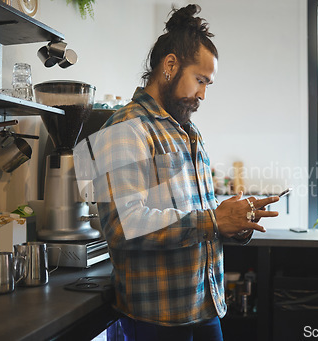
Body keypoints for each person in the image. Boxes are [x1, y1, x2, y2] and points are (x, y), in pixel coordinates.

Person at [92, 4, 279, 340]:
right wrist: (214, 221)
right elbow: (122, 227)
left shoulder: (189, 133)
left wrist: (234, 225)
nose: (204, 94)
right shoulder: (125, 128)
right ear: (170, 65)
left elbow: (199, 220)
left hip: (204, 307)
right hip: (157, 320)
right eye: (200, 80)